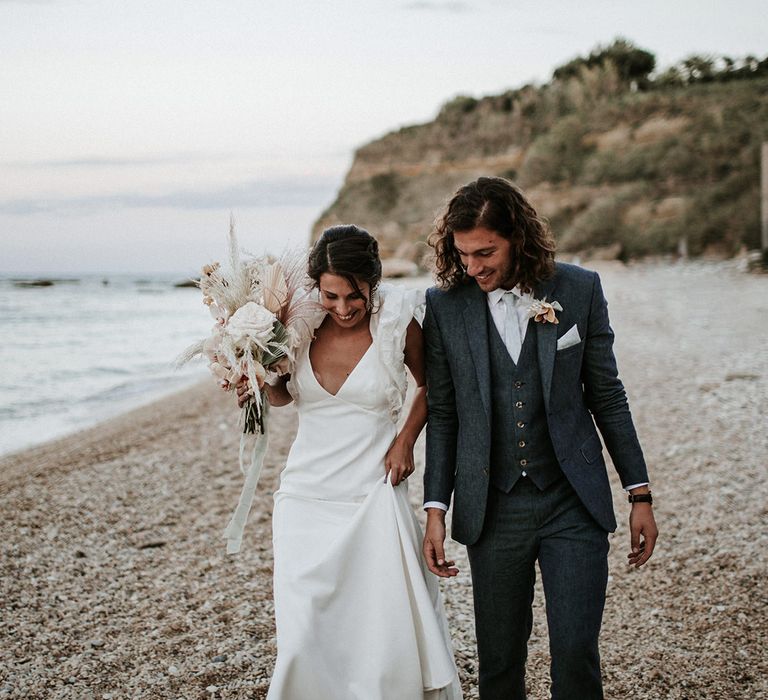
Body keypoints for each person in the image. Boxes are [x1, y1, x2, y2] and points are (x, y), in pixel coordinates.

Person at [420, 177, 658, 699]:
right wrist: (435, 508)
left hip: (572, 502)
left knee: (575, 656)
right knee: (499, 663)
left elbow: (608, 396)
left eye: (486, 252)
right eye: (463, 255)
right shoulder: (443, 308)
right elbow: (444, 415)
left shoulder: (579, 289)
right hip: (493, 508)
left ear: (518, 239)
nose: (474, 267)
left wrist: (639, 493)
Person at [236, 225, 462, 700]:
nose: (342, 308)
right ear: (317, 287)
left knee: (377, 628)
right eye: (331, 295)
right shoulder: (297, 325)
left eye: (354, 295)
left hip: (371, 491)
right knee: (304, 629)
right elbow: (281, 397)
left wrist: (404, 440)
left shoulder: (399, 320)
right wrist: (255, 379)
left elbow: (431, 386)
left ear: (372, 284)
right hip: (303, 495)